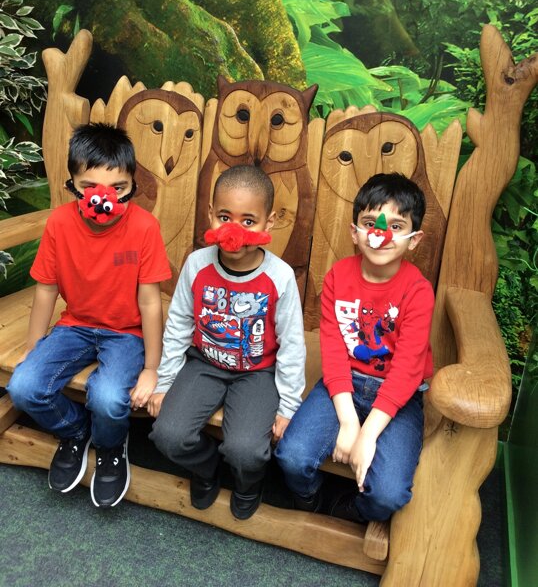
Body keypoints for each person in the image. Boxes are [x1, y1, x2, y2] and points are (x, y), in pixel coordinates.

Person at [7, 123, 171, 508]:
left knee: (108, 397)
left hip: (127, 332)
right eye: (90, 187)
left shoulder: (144, 227)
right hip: (75, 325)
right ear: (73, 185)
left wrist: (152, 368)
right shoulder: (59, 223)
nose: (103, 199)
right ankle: (75, 431)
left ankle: (111, 446)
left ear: (132, 184)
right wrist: (34, 346)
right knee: (24, 386)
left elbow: (150, 303)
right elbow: (46, 289)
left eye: (117, 188)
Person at [275, 172, 434, 523]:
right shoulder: (338, 277)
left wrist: (368, 434)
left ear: (414, 240)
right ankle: (311, 499)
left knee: (389, 494)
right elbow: (334, 354)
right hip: (343, 384)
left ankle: (348, 509)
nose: (380, 234)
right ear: (354, 232)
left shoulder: (418, 291)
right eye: (370, 223)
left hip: (398, 395)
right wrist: (349, 423)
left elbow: (407, 370)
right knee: (292, 458)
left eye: (396, 226)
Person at [148, 164, 306, 520]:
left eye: (248, 221)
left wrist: (288, 407)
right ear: (210, 215)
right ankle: (207, 468)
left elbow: (293, 346)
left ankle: (249, 483)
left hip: (258, 373)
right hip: (205, 363)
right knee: (168, 435)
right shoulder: (197, 264)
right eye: (224, 217)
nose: (234, 230)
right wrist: (164, 382)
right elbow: (179, 323)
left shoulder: (279, 277)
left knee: (245, 450)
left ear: (269, 222)